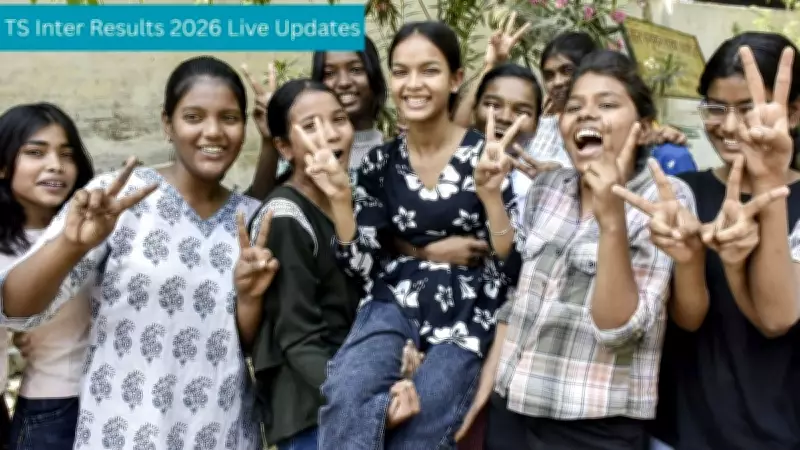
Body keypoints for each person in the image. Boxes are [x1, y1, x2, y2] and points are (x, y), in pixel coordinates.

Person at [0, 56, 277, 449]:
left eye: (229, 118)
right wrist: (71, 245)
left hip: (224, 429)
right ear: (167, 124)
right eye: (193, 117)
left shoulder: (251, 219)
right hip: (126, 430)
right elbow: (15, 307)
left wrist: (249, 297)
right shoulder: (117, 198)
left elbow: (246, 344)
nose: (213, 131)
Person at [309, 20, 525, 449]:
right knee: (346, 393)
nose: (413, 84)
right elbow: (362, 266)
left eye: (429, 70)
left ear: (455, 79)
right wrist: (340, 201)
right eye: (401, 72)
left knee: (426, 419)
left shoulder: (485, 154)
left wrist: (491, 196)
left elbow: (510, 265)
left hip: (467, 313)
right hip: (393, 304)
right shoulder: (379, 164)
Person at [483, 50, 696, 450]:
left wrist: (611, 219)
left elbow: (620, 331)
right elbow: (520, 293)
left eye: (607, 104)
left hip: (593, 422)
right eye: (574, 107)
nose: (586, 114)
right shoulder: (549, 188)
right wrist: (491, 197)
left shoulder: (664, 199)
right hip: (513, 405)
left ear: (644, 129)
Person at [642, 32, 800, 450]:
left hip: (778, 435)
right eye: (716, 108)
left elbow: (777, 319)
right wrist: (691, 258)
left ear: (793, 113)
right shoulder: (680, 193)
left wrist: (768, 180)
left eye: (748, 109)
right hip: (681, 433)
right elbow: (685, 319)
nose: (729, 126)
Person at [243, 79, 363, 450]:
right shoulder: (285, 217)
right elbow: (299, 338)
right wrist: (359, 398)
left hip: (349, 392)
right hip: (315, 412)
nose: (330, 134)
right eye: (310, 126)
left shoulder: (345, 199)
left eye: (338, 119)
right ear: (284, 147)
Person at [0, 103, 94, 449]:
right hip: (53, 408)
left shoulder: (99, 229)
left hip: (120, 399)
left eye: (66, 155)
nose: (55, 165)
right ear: (2, 165)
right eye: (36, 153)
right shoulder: (6, 248)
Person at [243, 36, 388, 199]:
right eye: (329, 73)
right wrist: (270, 138)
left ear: (374, 76)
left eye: (355, 70)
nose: (344, 82)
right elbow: (259, 205)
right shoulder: (303, 150)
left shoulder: (395, 156)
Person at [533, 32, 695, 174]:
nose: (557, 82)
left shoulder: (656, 146)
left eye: (567, 70)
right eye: (549, 75)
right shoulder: (537, 130)